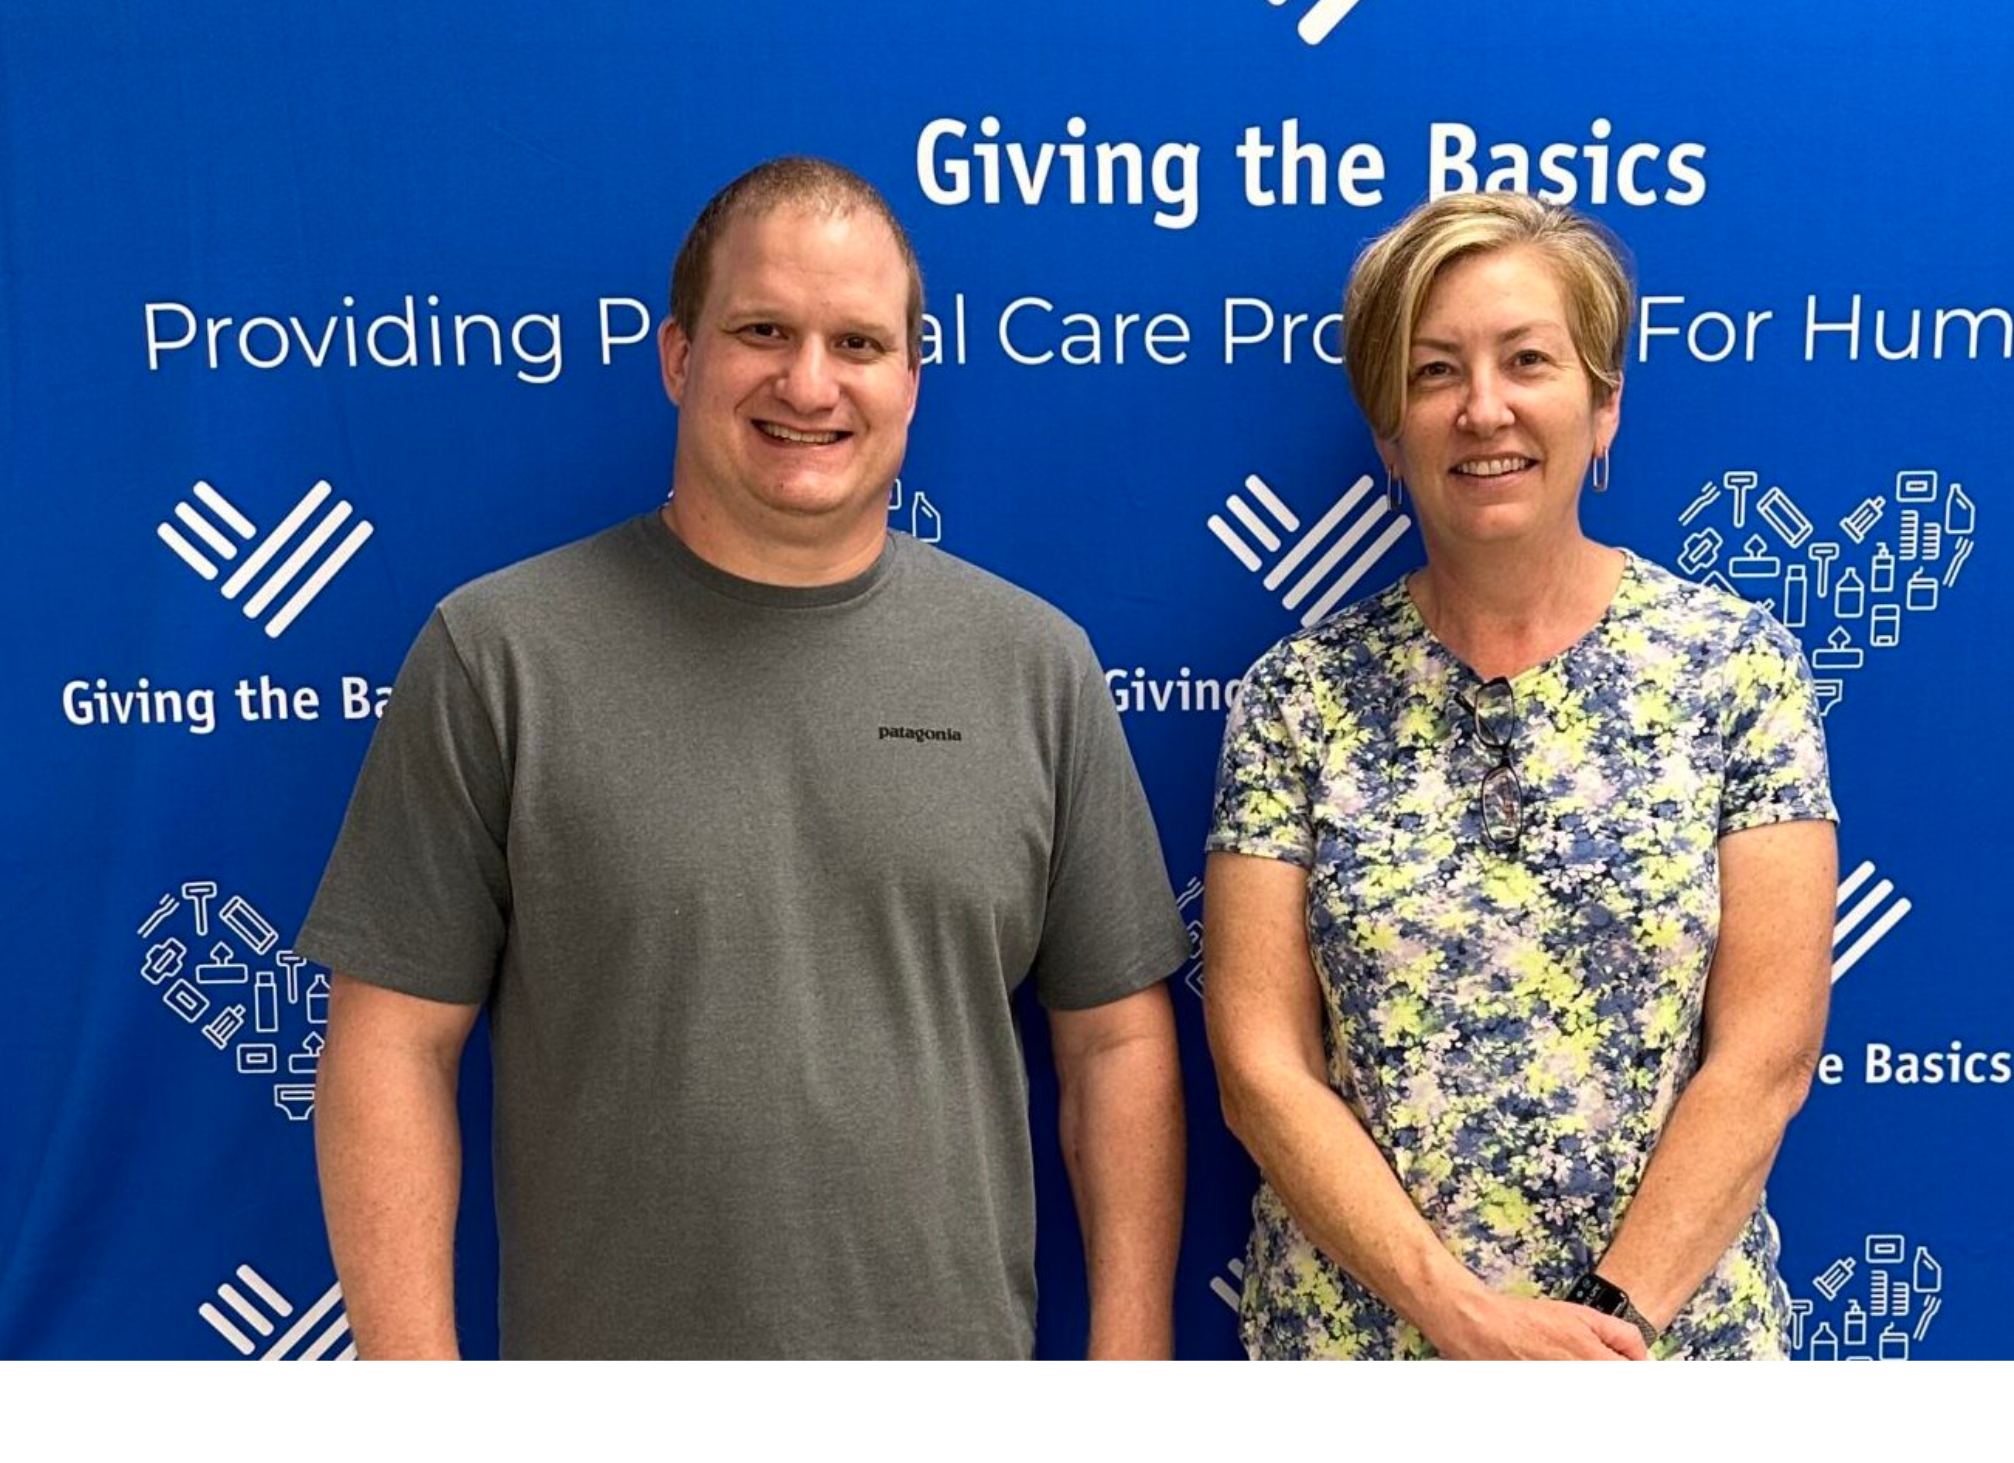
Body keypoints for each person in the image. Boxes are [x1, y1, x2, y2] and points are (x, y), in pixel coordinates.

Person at [298, 157, 1189, 1360]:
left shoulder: (1034, 665)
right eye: (762, 330)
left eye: (858, 344)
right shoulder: (499, 653)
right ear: (678, 356)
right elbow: (392, 1045)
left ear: (912, 379)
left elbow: (1117, 1044)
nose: (808, 383)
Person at [1203, 193, 1838, 1360]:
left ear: (1603, 406)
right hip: (1364, 1335)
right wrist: (1460, 1319)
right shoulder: (1297, 700)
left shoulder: (1733, 669)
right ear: (1388, 433)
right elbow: (1260, 1069)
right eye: (1434, 371)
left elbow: (1767, 1055)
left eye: (1528, 360)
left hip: (1660, 1340)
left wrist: (1602, 1329)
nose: (1482, 408)